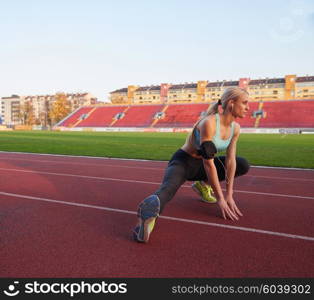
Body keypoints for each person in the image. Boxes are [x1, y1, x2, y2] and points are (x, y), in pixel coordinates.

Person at [133, 87, 250, 243]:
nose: (248, 107)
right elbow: (209, 165)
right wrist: (220, 198)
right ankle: (147, 220)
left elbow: (230, 160)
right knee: (168, 189)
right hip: (184, 162)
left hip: (203, 165)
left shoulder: (236, 128)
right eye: (245, 103)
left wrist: (229, 194)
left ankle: (202, 186)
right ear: (231, 103)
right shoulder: (209, 123)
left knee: (242, 163)